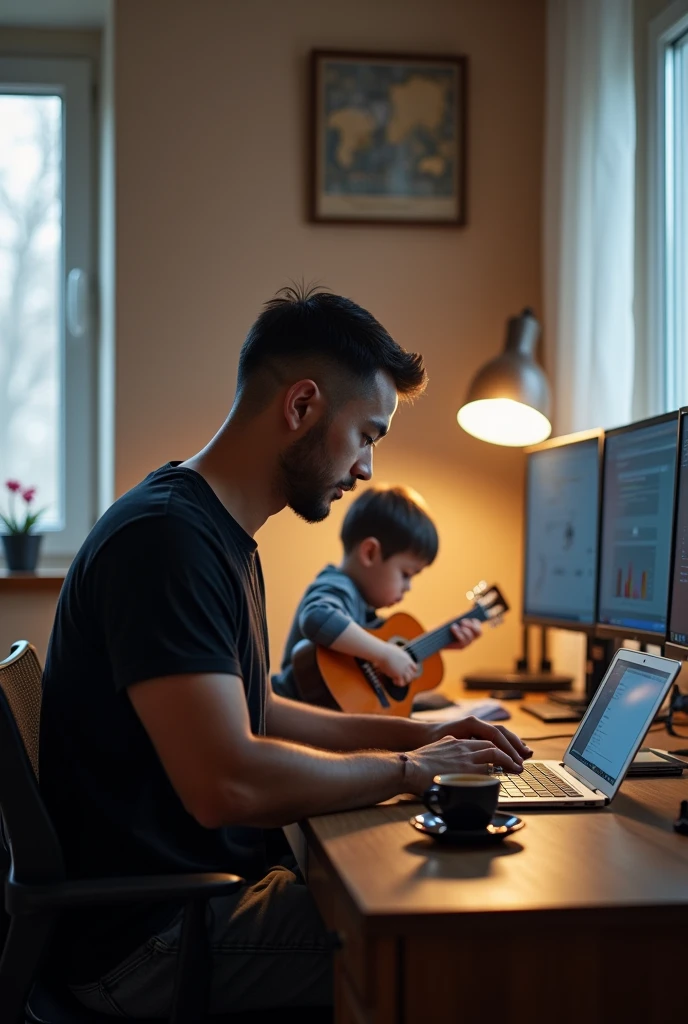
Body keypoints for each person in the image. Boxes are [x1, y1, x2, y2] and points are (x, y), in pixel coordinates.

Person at [40, 285, 531, 1017]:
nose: (367, 469)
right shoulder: (166, 542)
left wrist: (425, 734)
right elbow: (226, 784)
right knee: (473, 943)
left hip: (198, 902)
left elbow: (261, 712)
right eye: (367, 434)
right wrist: (407, 771)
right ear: (301, 407)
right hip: (154, 945)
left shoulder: (217, 534)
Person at [273, 483, 482, 702]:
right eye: (406, 574)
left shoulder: (363, 606)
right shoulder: (337, 586)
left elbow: (382, 653)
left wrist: (440, 642)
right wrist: (383, 654)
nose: (408, 586)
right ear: (370, 553)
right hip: (289, 713)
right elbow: (317, 617)